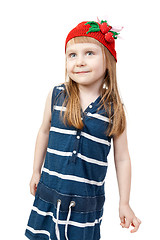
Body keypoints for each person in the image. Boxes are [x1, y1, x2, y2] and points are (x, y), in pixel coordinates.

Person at [25, 17, 141, 240]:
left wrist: (124, 202)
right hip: (49, 194)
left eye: (89, 53)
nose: (79, 61)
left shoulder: (114, 109)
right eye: (72, 55)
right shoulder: (57, 95)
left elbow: (123, 158)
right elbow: (44, 132)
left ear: (108, 60)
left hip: (85, 205)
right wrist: (35, 170)